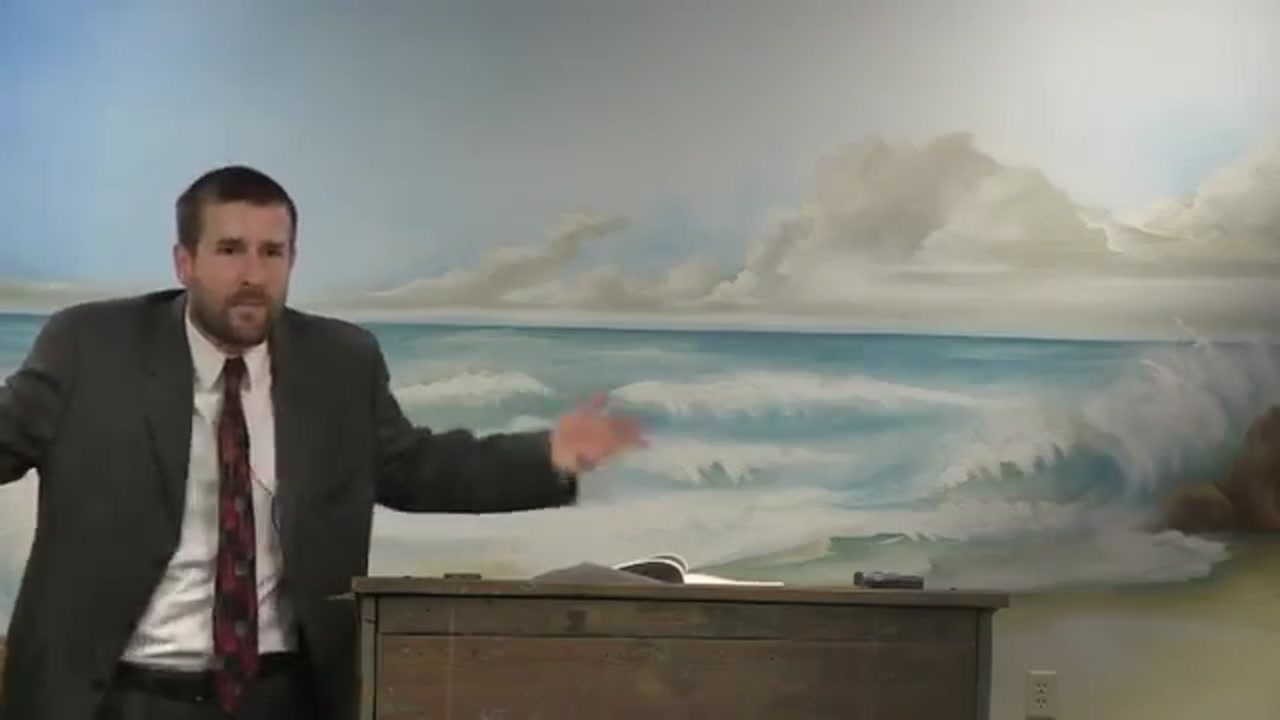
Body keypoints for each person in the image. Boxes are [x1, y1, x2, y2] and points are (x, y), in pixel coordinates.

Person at [0, 165, 646, 720]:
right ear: (185, 262)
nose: (252, 274)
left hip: (283, 696)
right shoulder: (90, 347)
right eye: (230, 250)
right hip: (118, 696)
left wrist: (548, 457)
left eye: (271, 252)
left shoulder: (339, 361)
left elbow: (413, 466)